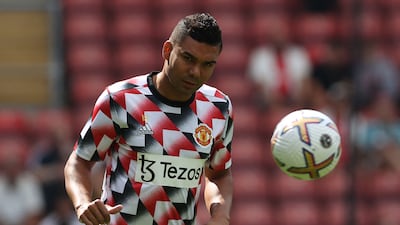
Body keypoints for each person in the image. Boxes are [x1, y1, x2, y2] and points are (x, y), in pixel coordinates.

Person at [64, 13, 233, 225]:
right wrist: (82, 203)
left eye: (207, 64)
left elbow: (219, 175)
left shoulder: (218, 107)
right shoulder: (121, 99)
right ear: (167, 51)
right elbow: (79, 161)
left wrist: (220, 215)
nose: (195, 71)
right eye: (188, 58)